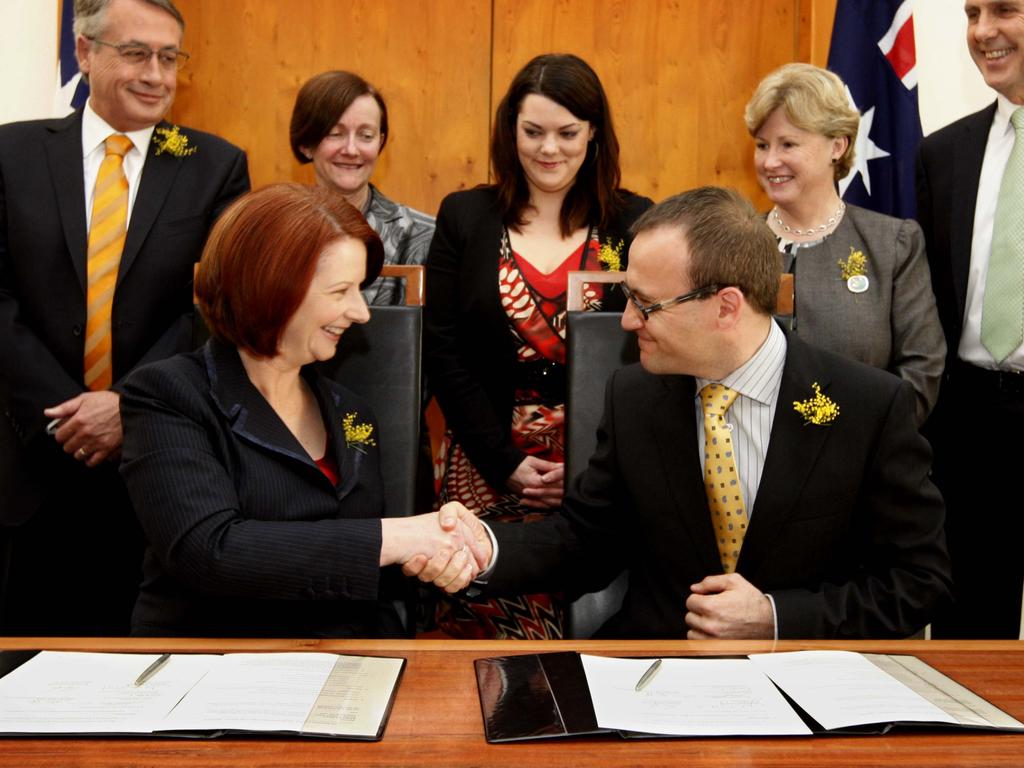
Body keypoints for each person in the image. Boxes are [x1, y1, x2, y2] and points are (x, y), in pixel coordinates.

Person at [413, 186, 952, 640]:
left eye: (645, 305)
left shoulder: (868, 407)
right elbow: (587, 542)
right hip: (650, 670)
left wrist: (776, 617)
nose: (625, 322)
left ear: (726, 307)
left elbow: (919, 581)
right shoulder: (634, 397)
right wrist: (485, 547)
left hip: (802, 681)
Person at [118, 184, 478, 637]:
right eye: (341, 290)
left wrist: (429, 562)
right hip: (208, 672)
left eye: (359, 289)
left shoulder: (353, 413)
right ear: (272, 289)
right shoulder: (168, 395)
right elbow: (209, 551)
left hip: (337, 670)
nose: (360, 312)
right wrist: (397, 538)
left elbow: (369, 577)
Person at [0, 0, 249, 635]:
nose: (157, 75)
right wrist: (63, 412)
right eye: (136, 53)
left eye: (170, 58)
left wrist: (127, 403)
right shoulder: (14, 153)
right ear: (84, 53)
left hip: (155, 461)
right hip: (30, 461)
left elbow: (214, 308)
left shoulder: (214, 165)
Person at [424, 53, 652, 639]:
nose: (549, 148)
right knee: (477, 606)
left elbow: (654, 350)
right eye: (533, 132)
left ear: (594, 132)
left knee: (594, 627)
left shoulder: (635, 223)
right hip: (485, 458)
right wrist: (506, 463)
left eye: (567, 132)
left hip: (602, 466)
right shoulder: (466, 216)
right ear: (510, 132)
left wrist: (583, 464)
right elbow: (444, 351)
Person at [745, 63, 944, 426]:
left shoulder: (893, 244)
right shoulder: (734, 244)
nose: (770, 161)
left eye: (788, 144)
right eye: (762, 145)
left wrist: (857, 444)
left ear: (837, 145)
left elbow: (922, 371)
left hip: (863, 466)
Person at [916, 0, 1024, 638]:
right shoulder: (943, 154)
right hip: (973, 427)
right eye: (971, 12)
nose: (983, 32)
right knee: (968, 646)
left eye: (1005, 10)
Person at [290, 70, 434, 306]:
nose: (351, 149)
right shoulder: (276, 232)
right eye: (335, 134)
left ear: (380, 142)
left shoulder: (423, 235)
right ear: (306, 144)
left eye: (366, 136)